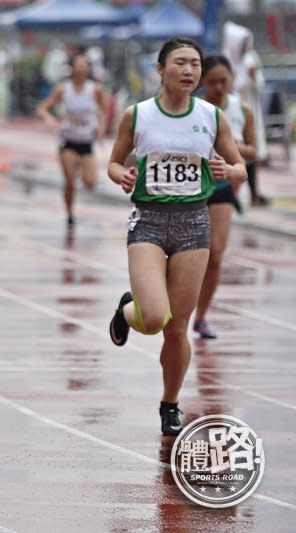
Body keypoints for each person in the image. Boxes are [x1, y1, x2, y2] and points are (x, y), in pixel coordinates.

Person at [106, 38, 246, 436]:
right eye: (180, 63)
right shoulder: (138, 116)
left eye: (195, 65)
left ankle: (170, 403)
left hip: (192, 225)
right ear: (160, 68)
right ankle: (127, 311)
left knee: (177, 327)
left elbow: (240, 169)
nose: (189, 71)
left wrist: (227, 170)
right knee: (152, 318)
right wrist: (124, 175)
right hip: (149, 222)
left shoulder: (212, 116)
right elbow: (114, 163)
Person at [193, 55, 256, 340]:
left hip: (221, 187)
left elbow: (255, 151)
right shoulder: (194, 109)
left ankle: (202, 316)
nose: (219, 87)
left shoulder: (241, 109)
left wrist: (235, 149)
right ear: (202, 81)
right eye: (213, 81)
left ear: (232, 80)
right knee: (187, 253)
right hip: (189, 187)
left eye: (224, 81)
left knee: (216, 254)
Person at [36, 53, 109, 227]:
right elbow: (42, 108)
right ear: (72, 68)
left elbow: (105, 111)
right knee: (69, 181)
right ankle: (70, 213)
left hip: (86, 141)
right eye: (79, 65)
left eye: (85, 65)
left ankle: (80, 165)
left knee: (90, 183)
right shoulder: (63, 88)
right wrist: (48, 118)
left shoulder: (95, 89)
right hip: (68, 140)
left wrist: (101, 129)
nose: (82, 68)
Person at [223, 21, 269, 205]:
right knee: (231, 151)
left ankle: (254, 193)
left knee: (252, 151)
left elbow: (260, 84)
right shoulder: (226, 60)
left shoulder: (251, 59)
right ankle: (232, 195)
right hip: (231, 112)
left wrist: (253, 76)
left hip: (250, 110)